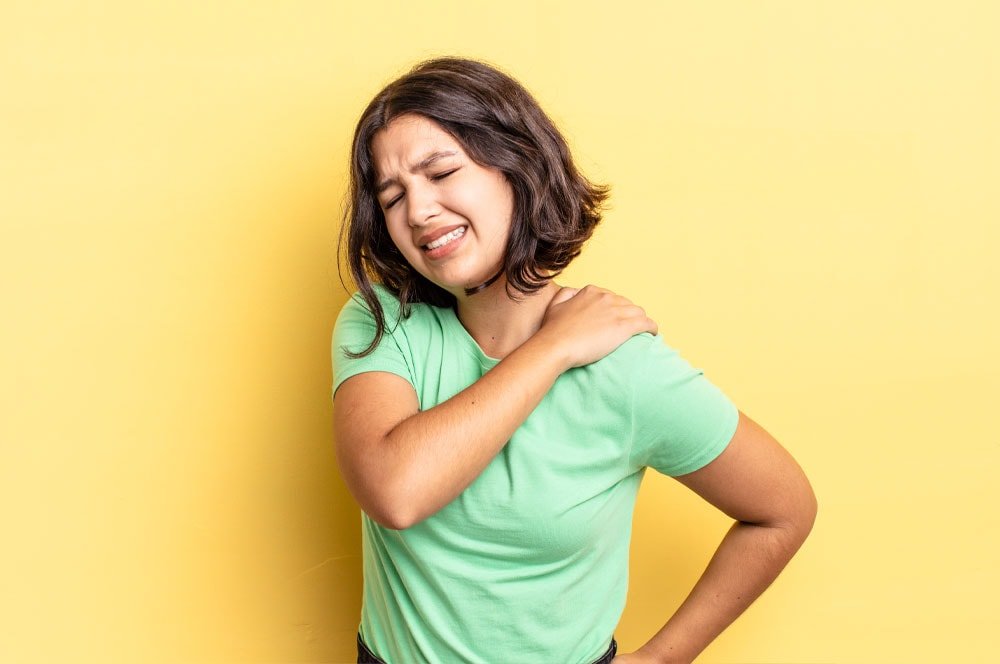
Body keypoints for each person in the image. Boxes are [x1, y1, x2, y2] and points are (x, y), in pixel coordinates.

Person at [331, 56, 817, 664]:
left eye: (442, 172)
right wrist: (553, 348)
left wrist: (664, 657)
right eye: (394, 196)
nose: (419, 211)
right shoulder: (383, 319)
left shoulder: (628, 371)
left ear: (518, 168)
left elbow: (785, 511)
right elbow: (395, 491)